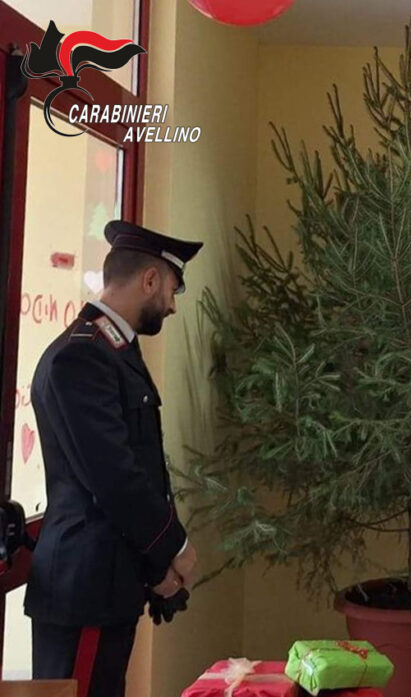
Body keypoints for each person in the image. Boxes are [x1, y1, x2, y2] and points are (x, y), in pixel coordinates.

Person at [28, 221, 203, 697]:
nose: (171, 303)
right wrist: (174, 548)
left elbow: (140, 469)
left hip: (108, 583)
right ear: (149, 280)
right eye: (171, 287)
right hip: (85, 590)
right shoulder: (81, 358)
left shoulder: (113, 351)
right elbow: (114, 480)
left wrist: (156, 569)